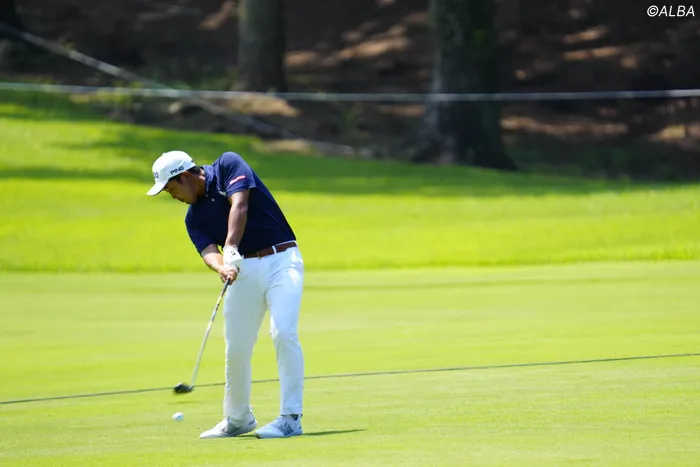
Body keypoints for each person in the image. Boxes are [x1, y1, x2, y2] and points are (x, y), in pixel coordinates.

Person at [147, 150, 305, 439]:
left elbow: (239, 204)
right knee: (237, 347)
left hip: (282, 259)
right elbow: (208, 251)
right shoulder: (193, 219)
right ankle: (238, 418)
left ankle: (291, 418)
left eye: (171, 189)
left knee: (283, 332)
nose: (172, 197)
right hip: (243, 270)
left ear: (185, 176)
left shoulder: (227, 165)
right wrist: (222, 267)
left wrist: (230, 247)